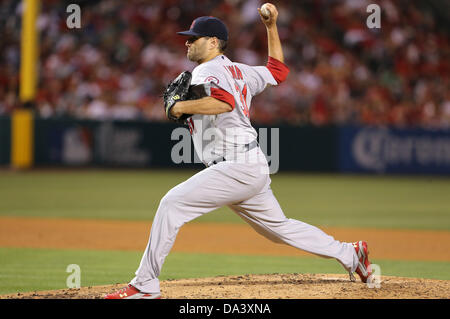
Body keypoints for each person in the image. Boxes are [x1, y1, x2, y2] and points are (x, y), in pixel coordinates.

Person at [105, 3, 372, 299]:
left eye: (194, 38)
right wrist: (271, 28)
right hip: (249, 164)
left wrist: (179, 106)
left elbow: (224, 103)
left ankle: (144, 285)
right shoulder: (239, 70)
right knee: (279, 229)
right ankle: (350, 254)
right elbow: (278, 71)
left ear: (213, 42)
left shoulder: (206, 70)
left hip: (235, 166)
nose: (187, 41)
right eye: (188, 37)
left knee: (172, 204)